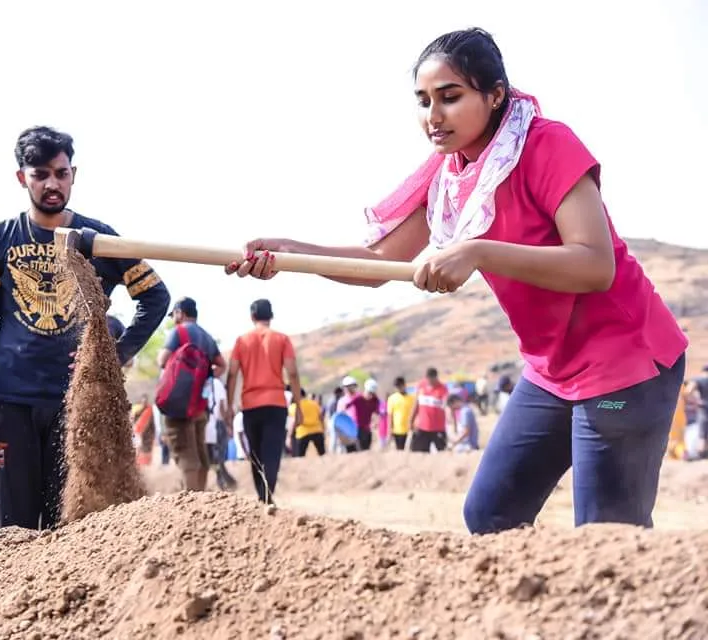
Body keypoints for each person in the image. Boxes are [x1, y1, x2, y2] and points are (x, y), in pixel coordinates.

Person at [225, 28, 687, 533]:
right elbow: (376, 263)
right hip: (551, 370)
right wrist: (294, 253)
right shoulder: (448, 173)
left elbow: (595, 266)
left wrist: (477, 250)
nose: (433, 116)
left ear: (494, 95)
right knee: (490, 513)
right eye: (423, 101)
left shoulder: (547, 144)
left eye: (450, 97)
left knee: (606, 534)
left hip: (626, 363)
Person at [0, 126, 170, 530]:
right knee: (11, 531)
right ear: (22, 178)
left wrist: (114, 354)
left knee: (68, 529)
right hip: (10, 402)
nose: (53, 183)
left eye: (61, 173)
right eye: (40, 174)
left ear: (73, 174)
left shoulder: (99, 240)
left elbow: (155, 297)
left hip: (76, 407)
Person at [226, 299, 301, 504]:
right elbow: (292, 372)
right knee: (272, 453)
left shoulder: (242, 341)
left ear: (252, 316)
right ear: (271, 316)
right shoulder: (282, 339)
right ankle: (266, 497)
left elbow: (232, 374)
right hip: (276, 403)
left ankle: (263, 497)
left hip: (250, 405)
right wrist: (299, 405)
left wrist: (229, 407)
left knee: (256, 453)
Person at [157, 297, 226, 491]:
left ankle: (191, 501)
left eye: (174, 315)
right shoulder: (207, 337)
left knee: (186, 454)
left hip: (178, 405)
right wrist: (203, 378)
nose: (173, 319)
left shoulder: (177, 332)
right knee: (200, 452)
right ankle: (201, 500)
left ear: (180, 313)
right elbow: (222, 365)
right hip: (199, 406)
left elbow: (162, 360)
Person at [409, 367, 449, 453]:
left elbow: (447, 407)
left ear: (435, 378)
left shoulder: (443, 389)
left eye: (431, 380)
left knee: (442, 452)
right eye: (427, 379)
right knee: (417, 452)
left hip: (438, 428)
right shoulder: (421, 386)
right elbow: (416, 404)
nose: (429, 382)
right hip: (422, 428)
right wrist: (411, 421)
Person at [386, 376, 415, 451]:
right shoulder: (392, 398)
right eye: (397, 386)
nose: (399, 388)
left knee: (411, 451)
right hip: (398, 430)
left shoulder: (412, 398)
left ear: (404, 385)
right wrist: (390, 430)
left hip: (410, 430)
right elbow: (390, 415)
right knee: (400, 451)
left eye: (400, 385)